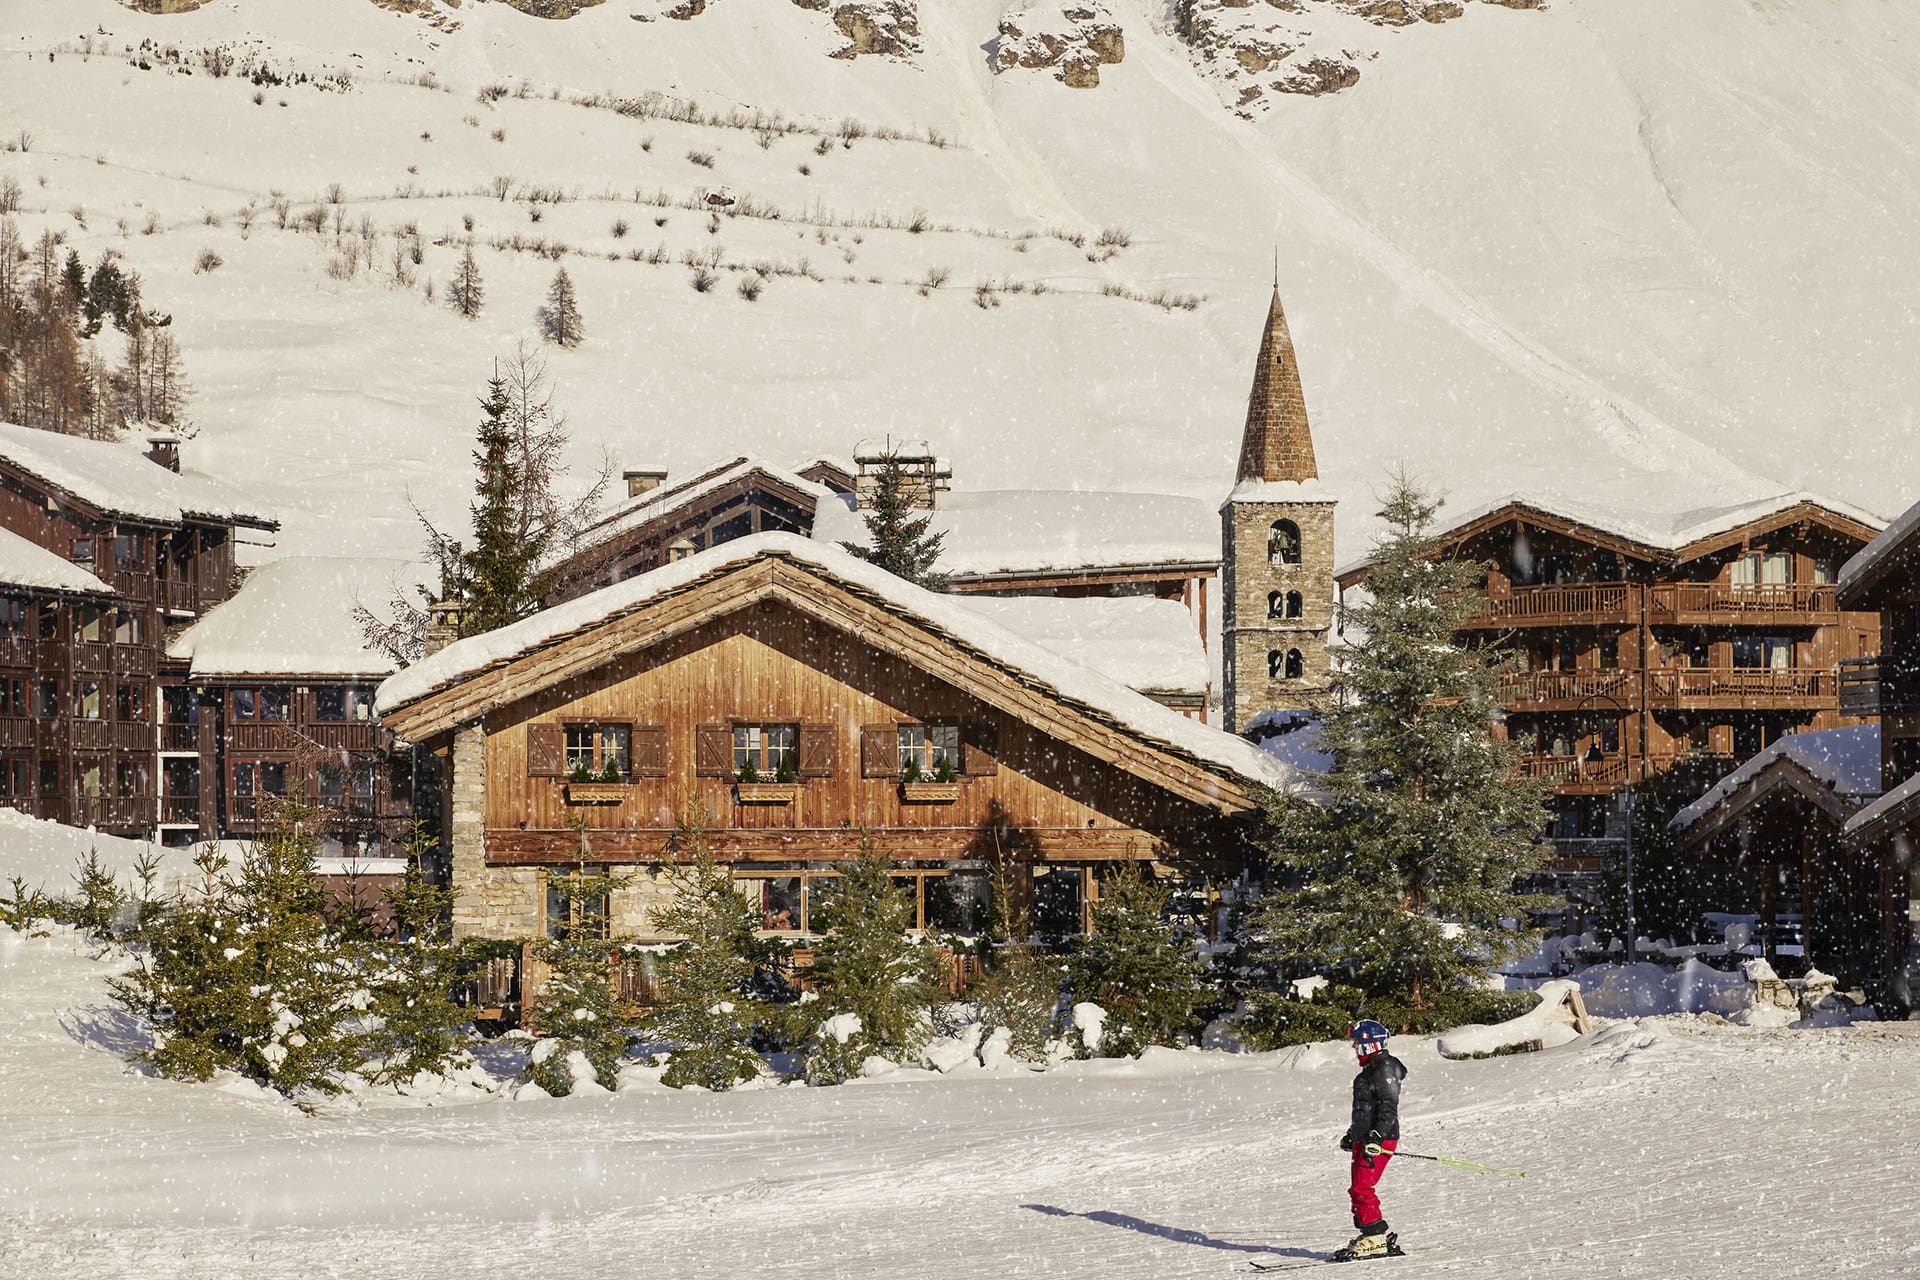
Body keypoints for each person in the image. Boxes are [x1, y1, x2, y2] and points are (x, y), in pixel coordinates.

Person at [1335, 1019, 1407, 1262]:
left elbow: (1388, 1108)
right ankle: (1370, 1234)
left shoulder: (1384, 1070)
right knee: (1357, 1188)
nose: (1355, 1047)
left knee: (1362, 1188)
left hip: (1378, 1140)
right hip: (1365, 1138)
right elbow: (1367, 1109)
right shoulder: (1371, 1070)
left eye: (1357, 1043)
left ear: (1370, 1044)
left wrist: (1376, 1136)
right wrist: (1353, 1134)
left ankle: (1376, 1237)